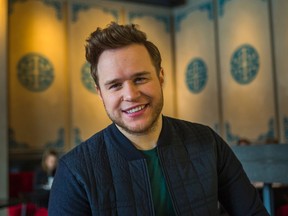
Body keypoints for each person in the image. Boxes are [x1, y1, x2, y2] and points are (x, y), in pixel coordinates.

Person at [48, 22, 269, 215]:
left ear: (160, 76)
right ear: (100, 92)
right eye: (115, 85)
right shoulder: (75, 171)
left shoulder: (207, 142)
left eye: (140, 78)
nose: (131, 95)